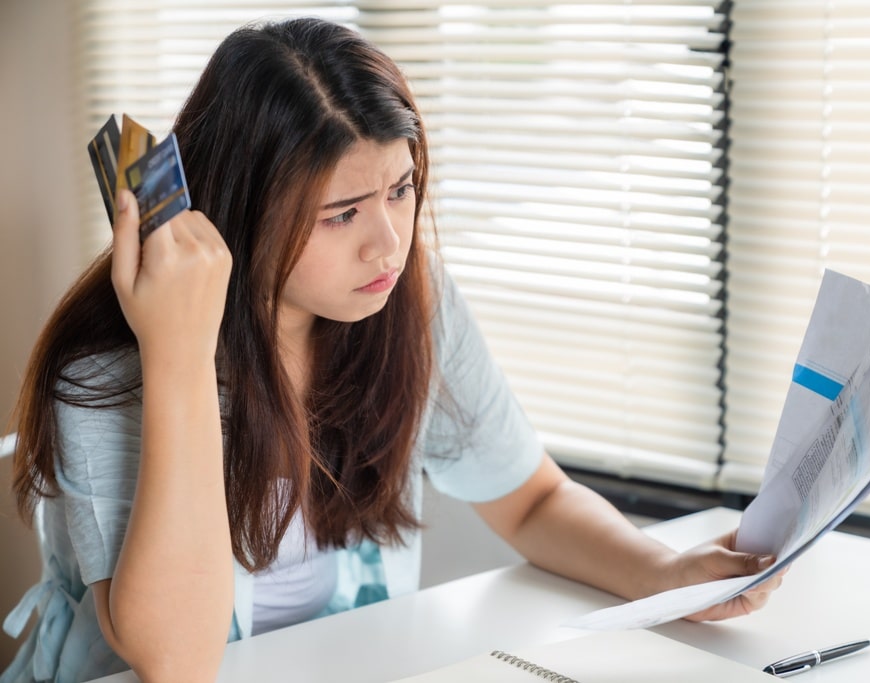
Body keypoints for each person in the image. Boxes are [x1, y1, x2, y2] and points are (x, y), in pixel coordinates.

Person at [1, 17, 782, 683]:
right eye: (342, 213)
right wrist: (177, 350)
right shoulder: (107, 369)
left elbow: (533, 499)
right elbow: (177, 659)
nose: (388, 245)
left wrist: (665, 573)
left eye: (401, 190)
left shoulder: (407, 306)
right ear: (246, 209)